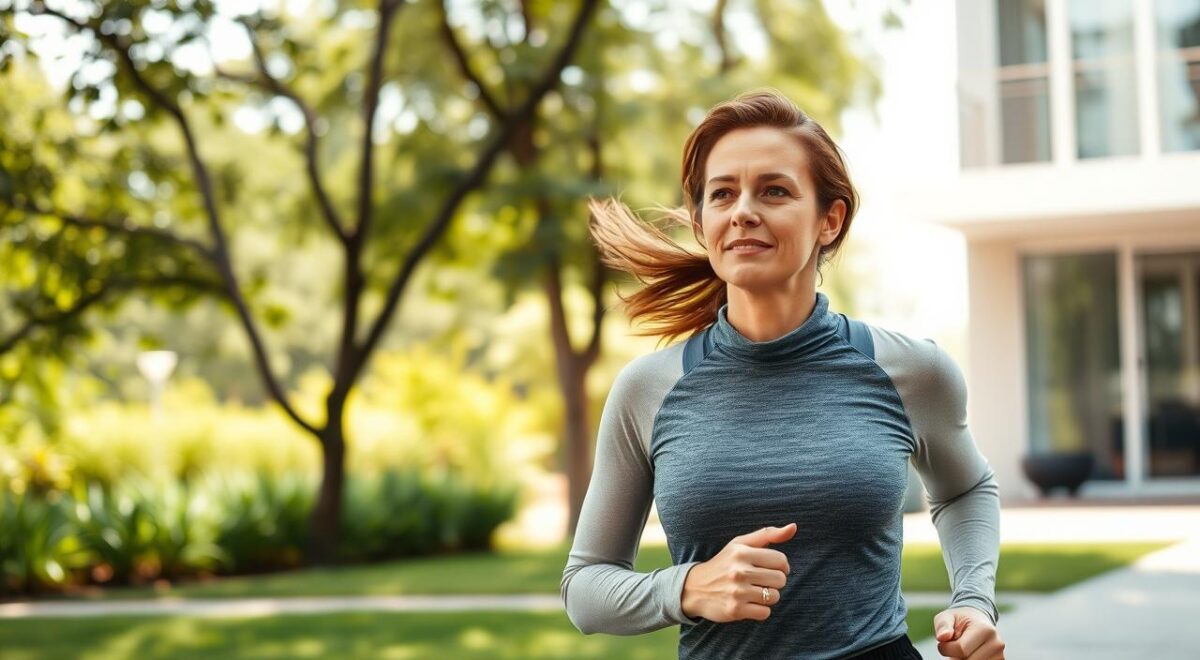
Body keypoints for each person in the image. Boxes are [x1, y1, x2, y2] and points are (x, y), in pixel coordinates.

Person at [559, 89, 1006, 660]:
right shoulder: (648, 389)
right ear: (702, 223)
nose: (743, 210)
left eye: (774, 190)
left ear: (829, 220)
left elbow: (966, 488)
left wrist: (973, 599)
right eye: (723, 193)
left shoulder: (912, 371)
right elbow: (585, 585)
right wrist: (688, 586)